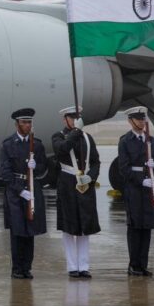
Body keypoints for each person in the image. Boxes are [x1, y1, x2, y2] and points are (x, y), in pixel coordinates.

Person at [51, 106, 100, 279]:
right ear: (65, 119)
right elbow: (63, 149)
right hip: (67, 184)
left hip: (84, 185)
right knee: (69, 227)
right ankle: (72, 266)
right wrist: (77, 131)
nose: (75, 120)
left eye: (77, 117)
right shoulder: (58, 136)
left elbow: (95, 161)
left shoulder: (88, 138)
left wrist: (91, 177)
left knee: (84, 226)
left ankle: (84, 266)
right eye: (72, 117)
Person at [0, 108, 47, 280]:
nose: (27, 125)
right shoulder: (8, 144)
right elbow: (4, 172)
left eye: (29, 122)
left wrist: (36, 167)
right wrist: (20, 190)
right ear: (17, 124)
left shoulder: (37, 145)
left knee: (30, 232)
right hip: (15, 192)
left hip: (32, 188)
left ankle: (27, 267)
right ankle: (17, 268)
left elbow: (44, 168)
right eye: (24, 122)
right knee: (17, 232)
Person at [118, 106, 154, 276]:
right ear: (131, 121)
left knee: (147, 227)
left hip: (148, 188)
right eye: (138, 119)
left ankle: (143, 264)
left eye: (143, 119)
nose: (142, 122)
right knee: (135, 228)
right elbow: (123, 168)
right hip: (134, 189)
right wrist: (140, 180)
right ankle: (133, 265)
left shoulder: (151, 141)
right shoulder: (125, 141)